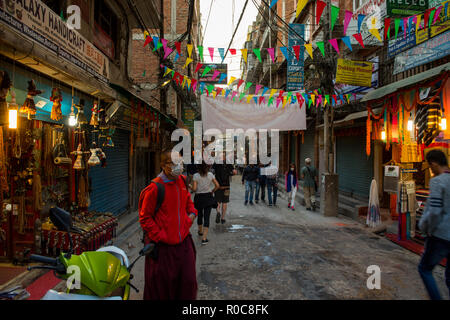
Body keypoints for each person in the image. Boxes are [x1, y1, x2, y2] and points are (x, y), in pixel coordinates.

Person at [138, 149, 198, 300]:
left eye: (181, 162)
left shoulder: (183, 181)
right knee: (161, 290)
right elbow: (145, 218)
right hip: (162, 249)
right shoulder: (154, 188)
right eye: (174, 163)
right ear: (164, 165)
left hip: (184, 244)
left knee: (188, 284)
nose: (179, 166)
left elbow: (189, 204)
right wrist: (161, 236)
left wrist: (191, 216)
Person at [417, 149, 450, 300]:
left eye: (430, 166)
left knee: (424, 269)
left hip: (440, 235)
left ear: (435, 164)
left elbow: (434, 212)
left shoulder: (438, 181)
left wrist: (424, 227)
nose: (431, 170)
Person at [191, 162, 220, 245]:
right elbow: (217, 185)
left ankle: (200, 231)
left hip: (199, 198)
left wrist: (190, 186)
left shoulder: (196, 176)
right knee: (207, 217)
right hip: (208, 197)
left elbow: (195, 189)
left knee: (200, 215)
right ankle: (204, 238)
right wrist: (212, 191)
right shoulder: (210, 175)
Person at [212, 154, 235, 224]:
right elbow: (233, 172)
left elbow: (212, 172)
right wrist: (232, 173)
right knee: (225, 202)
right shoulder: (229, 164)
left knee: (218, 201)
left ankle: (218, 212)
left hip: (218, 186)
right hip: (227, 187)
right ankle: (222, 218)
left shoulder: (215, 164)